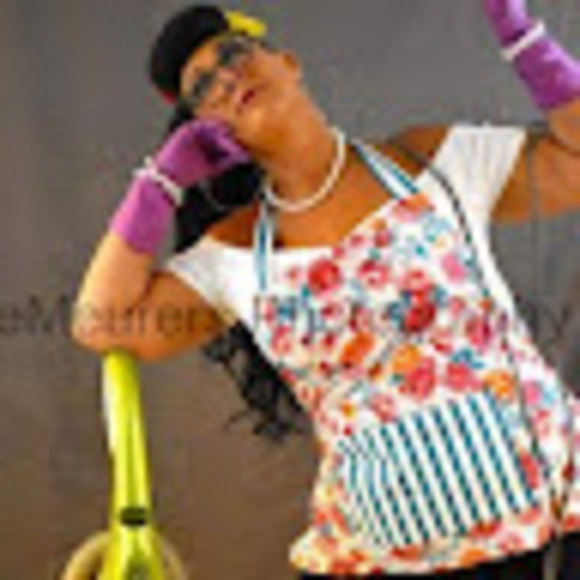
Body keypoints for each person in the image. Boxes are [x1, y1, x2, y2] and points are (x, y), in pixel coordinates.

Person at [71, 1, 580, 578]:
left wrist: (522, 36)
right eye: (204, 88)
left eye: (233, 54)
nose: (227, 78)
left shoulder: (432, 163)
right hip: (384, 556)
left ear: (288, 63)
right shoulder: (235, 252)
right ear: (207, 131)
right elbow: (100, 322)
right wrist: (158, 183)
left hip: (544, 522)